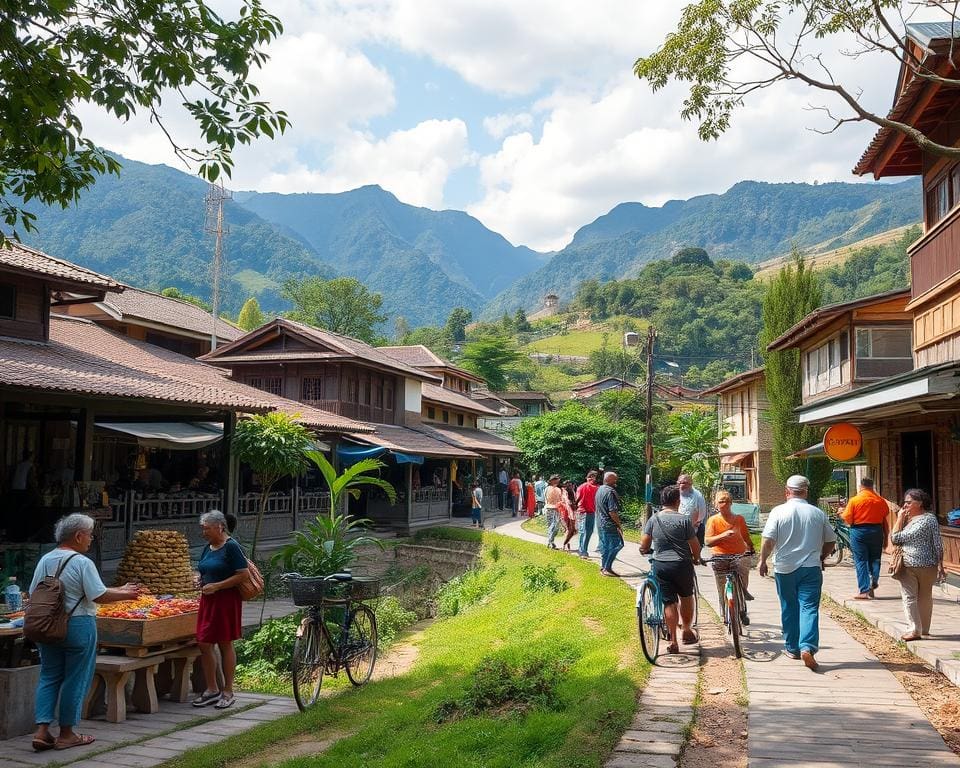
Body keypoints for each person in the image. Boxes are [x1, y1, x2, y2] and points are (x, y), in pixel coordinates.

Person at [29, 513, 141, 752]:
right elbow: (98, 595)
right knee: (75, 678)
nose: (91, 539)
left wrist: (118, 589)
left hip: (47, 626)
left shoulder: (45, 559)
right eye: (90, 535)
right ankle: (67, 734)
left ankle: (41, 731)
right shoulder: (82, 562)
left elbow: (35, 591)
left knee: (49, 676)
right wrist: (128, 594)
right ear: (78, 536)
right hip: (78, 626)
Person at [759, 475, 836, 671]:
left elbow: (768, 540)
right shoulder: (817, 513)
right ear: (806, 491)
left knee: (789, 607)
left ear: (787, 491)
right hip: (811, 567)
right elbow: (830, 541)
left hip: (784, 568)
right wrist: (821, 557)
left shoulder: (778, 512)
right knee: (809, 608)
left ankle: (792, 647)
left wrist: (762, 561)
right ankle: (807, 647)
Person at [193, 510, 249, 710]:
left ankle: (228, 690)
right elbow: (204, 569)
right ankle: (211, 688)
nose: (204, 532)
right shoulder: (208, 547)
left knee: (225, 643)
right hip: (208, 600)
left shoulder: (231, 547)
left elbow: (243, 574)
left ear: (219, 527)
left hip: (226, 600)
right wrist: (199, 579)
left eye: (207, 528)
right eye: (203, 528)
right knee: (204, 642)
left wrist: (218, 586)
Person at [640, 485, 702, 653]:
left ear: (662, 501)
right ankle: (687, 631)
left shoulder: (653, 519)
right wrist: (696, 558)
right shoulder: (683, 520)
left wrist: (644, 550)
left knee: (669, 602)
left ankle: (673, 641)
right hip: (682, 564)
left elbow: (644, 544)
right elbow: (695, 546)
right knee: (686, 597)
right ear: (677, 501)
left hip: (661, 565)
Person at [890, 489, 945, 641]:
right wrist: (940, 562)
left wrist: (899, 519)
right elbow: (938, 543)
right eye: (905, 502)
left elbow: (895, 538)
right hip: (928, 565)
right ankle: (923, 628)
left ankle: (915, 629)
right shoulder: (931, 519)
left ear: (919, 503)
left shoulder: (923, 520)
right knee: (925, 596)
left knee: (910, 597)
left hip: (911, 563)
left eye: (909, 502)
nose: (905, 506)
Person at [705, 490, 755, 620]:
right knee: (722, 587)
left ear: (731, 503)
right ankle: (724, 613)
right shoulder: (713, 521)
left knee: (743, 571)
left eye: (727, 501)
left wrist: (751, 548)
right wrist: (723, 535)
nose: (724, 504)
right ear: (716, 504)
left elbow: (746, 537)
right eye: (721, 501)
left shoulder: (739, 519)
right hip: (720, 556)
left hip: (738, 555)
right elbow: (708, 542)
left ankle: (742, 598)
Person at [841, 477, 891, 599]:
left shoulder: (855, 500)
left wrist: (841, 513)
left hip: (859, 531)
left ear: (860, 486)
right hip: (876, 531)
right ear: (872, 486)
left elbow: (847, 519)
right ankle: (872, 584)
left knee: (861, 560)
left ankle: (864, 590)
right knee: (875, 559)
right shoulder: (880, 500)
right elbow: (885, 515)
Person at [595, 472, 625, 576]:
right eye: (614, 480)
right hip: (609, 524)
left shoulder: (600, 489)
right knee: (618, 544)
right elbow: (612, 512)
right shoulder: (610, 492)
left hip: (600, 522)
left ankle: (604, 567)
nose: (616, 481)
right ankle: (607, 568)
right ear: (609, 480)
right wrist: (619, 524)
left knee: (605, 545)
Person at [678, 474, 708, 548]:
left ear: (691, 484)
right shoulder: (674, 493)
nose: (682, 485)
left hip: (694, 528)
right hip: (678, 529)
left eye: (684, 483)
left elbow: (702, 511)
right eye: (679, 483)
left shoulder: (697, 495)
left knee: (695, 550)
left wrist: (697, 522)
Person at [576, 470, 600, 560]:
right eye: (592, 477)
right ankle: (583, 551)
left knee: (585, 532)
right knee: (586, 532)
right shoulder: (595, 488)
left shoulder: (581, 487)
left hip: (586, 511)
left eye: (594, 477)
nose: (593, 479)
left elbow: (577, 500)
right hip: (586, 511)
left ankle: (582, 549)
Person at [544, 475, 563, 549]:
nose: (557, 481)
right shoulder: (547, 489)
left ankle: (551, 541)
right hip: (549, 508)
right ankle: (550, 542)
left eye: (557, 480)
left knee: (555, 526)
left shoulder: (558, 489)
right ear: (552, 481)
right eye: (556, 480)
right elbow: (545, 499)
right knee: (552, 526)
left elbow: (560, 500)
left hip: (556, 509)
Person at [560, 481, 578, 551]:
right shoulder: (565, 492)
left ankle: (566, 544)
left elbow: (573, 502)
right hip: (567, 512)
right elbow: (568, 503)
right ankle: (566, 544)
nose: (571, 486)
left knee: (571, 530)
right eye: (569, 485)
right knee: (570, 529)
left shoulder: (571, 492)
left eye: (571, 485)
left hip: (570, 513)